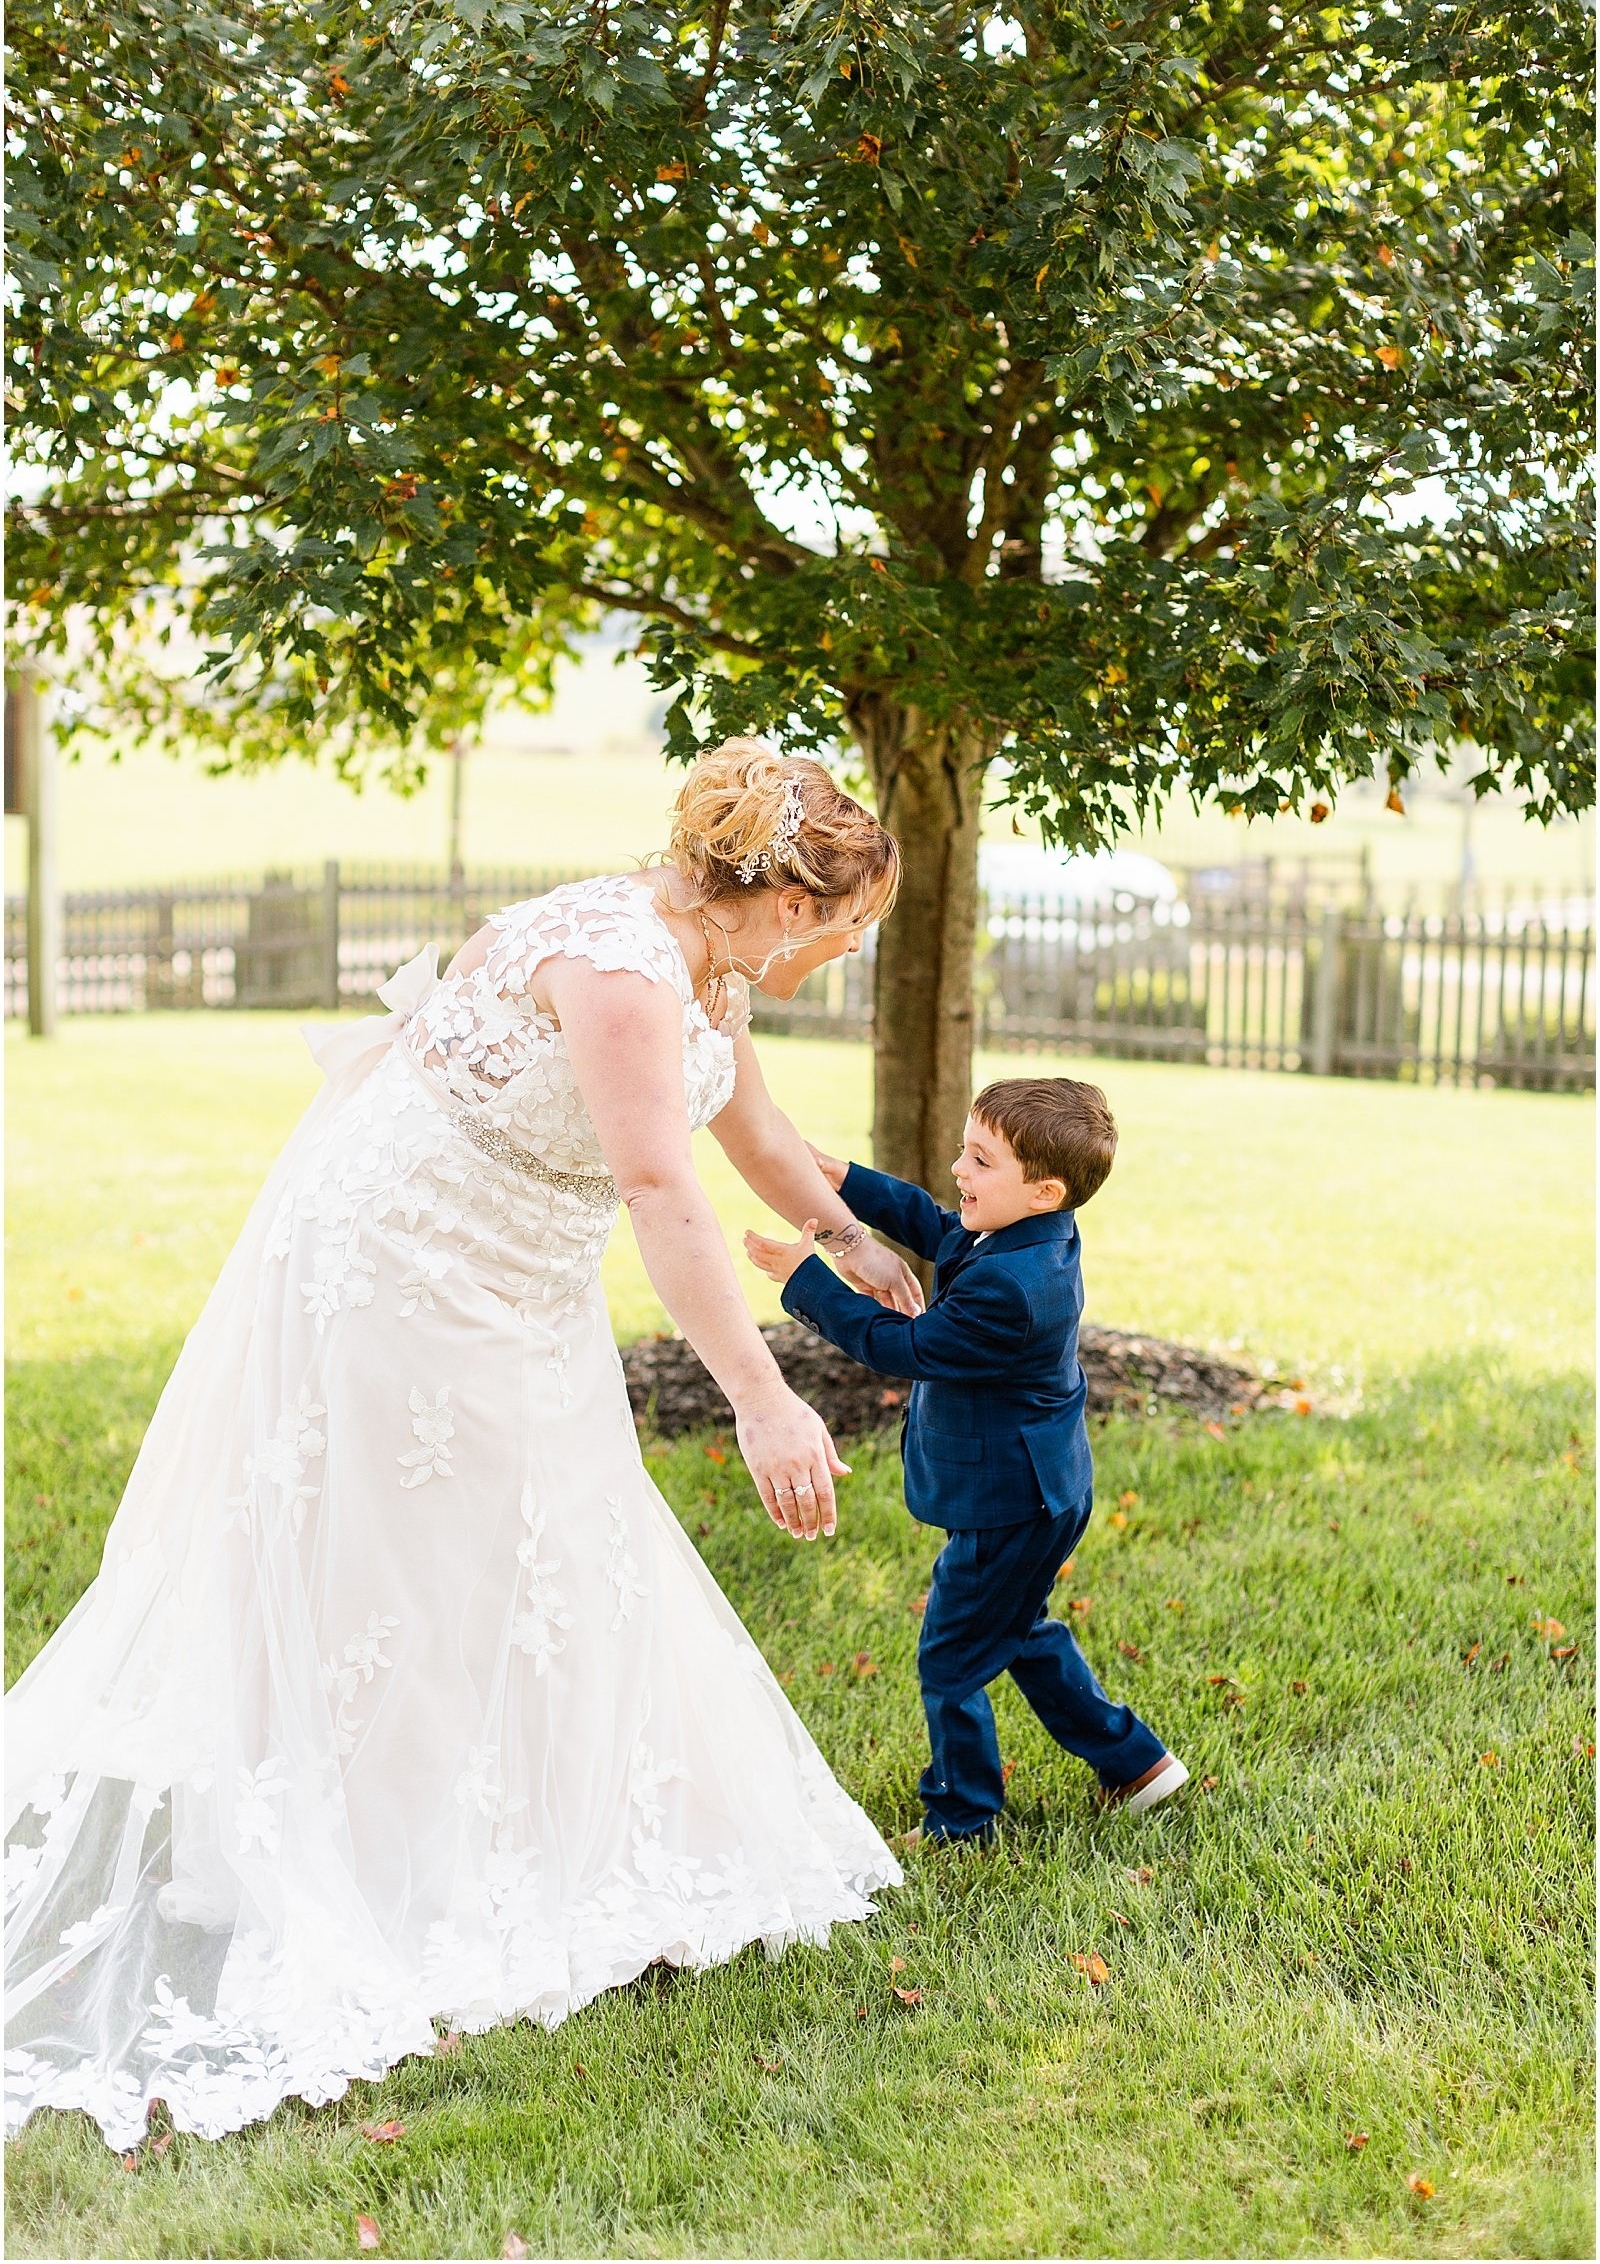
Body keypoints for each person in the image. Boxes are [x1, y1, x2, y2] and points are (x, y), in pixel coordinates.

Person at [4, 740, 923, 2149]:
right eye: (853, 933)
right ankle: (379, 1869)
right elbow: (659, 1189)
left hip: (520, 1275)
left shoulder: (707, 957)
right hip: (408, 1264)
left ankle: (515, 1842)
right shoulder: (621, 967)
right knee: (420, 1559)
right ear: (793, 900)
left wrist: (848, 1239)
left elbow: (749, 1123)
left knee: (546, 1543)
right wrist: (760, 1393)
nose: (848, 957)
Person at [745, 1076, 1188, 1848]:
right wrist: (836, 1173)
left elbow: (902, 1346)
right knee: (1017, 1630)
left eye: (981, 1160)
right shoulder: (1030, 1234)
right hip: (1039, 1486)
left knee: (952, 1656)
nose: (959, 1170)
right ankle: (1138, 1765)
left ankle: (962, 1818)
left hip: (1011, 1504)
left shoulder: (1011, 1291)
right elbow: (931, 1220)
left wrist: (802, 1278)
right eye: (964, 1150)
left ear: (1044, 1190)